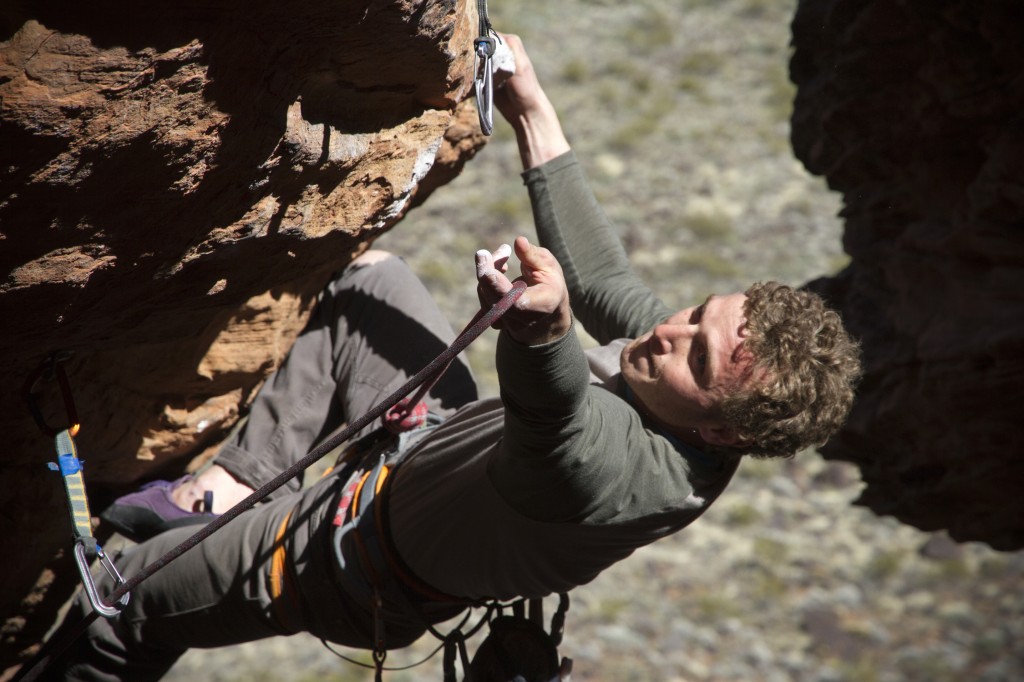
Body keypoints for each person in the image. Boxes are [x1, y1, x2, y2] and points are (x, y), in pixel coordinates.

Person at [51, 34, 861, 680]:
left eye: (699, 354)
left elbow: (560, 425)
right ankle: (228, 486)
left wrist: (542, 334)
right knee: (374, 281)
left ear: (724, 435)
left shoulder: (636, 479)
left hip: (336, 558)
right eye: (696, 315)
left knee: (118, 609)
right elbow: (610, 281)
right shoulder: (677, 374)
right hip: (429, 447)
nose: (667, 333)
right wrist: (532, 112)